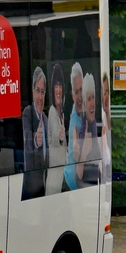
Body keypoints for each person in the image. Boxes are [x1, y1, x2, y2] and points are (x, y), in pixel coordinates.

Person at [22, 66, 48, 199]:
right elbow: (26, 139)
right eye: (37, 91)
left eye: (42, 92)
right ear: (32, 91)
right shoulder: (27, 113)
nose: (40, 97)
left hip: (44, 187)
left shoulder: (46, 119)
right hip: (31, 189)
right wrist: (35, 141)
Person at [46, 63, 68, 195]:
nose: (58, 90)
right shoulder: (52, 112)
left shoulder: (62, 114)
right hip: (54, 176)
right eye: (56, 86)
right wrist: (60, 138)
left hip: (60, 174)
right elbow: (55, 140)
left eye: (60, 86)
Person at [75, 73, 100, 188]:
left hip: (94, 182)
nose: (92, 103)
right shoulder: (83, 126)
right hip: (85, 186)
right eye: (89, 99)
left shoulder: (93, 122)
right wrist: (84, 151)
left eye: (93, 97)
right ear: (84, 105)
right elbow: (78, 174)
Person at [63, 62, 84, 191]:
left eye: (82, 89)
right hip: (74, 180)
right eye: (77, 92)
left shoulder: (83, 112)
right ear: (72, 95)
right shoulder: (75, 122)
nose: (80, 95)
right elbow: (78, 155)